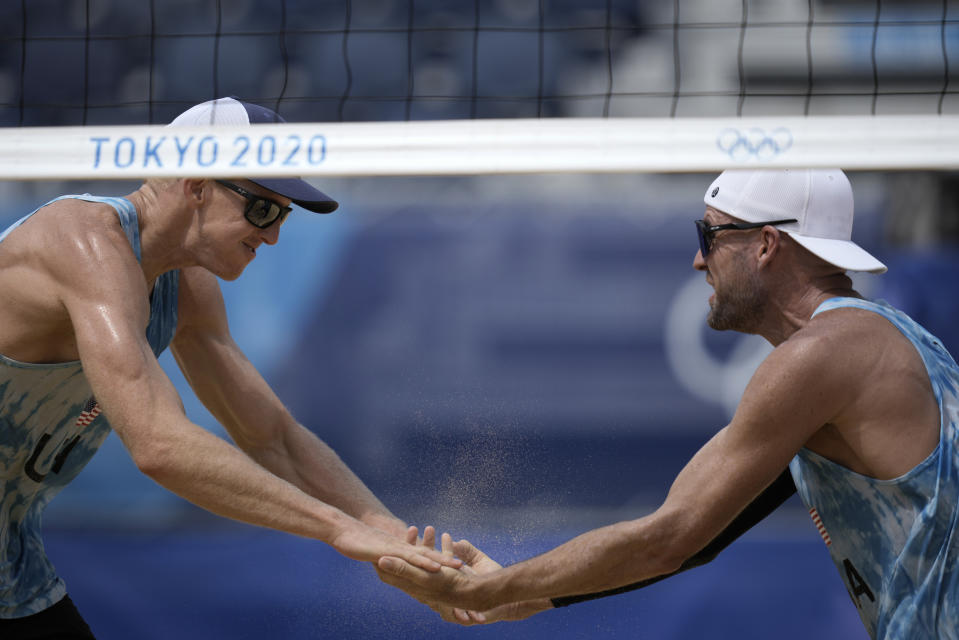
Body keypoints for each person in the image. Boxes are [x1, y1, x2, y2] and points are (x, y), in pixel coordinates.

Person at [376, 168, 959, 639]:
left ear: (766, 244)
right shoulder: (878, 342)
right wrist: (524, 595)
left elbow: (667, 540)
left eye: (709, 234)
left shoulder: (821, 357)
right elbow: (691, 539)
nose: (698, 260)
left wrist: (485, 592)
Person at [0, 97, 461, 638]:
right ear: (196, 185)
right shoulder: (81, 239)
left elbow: (272, 436)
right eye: (263, 209)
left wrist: (392, 541)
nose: (272, 235)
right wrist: (337, 528)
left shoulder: (187, 285)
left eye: (283, 215)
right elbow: (160, 446)